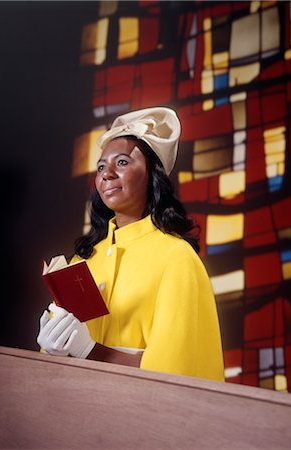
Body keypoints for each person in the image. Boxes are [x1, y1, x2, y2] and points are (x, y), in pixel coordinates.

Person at [37, 106, 225, 381]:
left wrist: (89, 350)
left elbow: (174, 375)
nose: (107, 174)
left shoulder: (176, 258)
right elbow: (50, 370)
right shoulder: (83, 261)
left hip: (138, 417)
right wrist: (49, 349)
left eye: (122, 162)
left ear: (152, 174)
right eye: (101, 167)